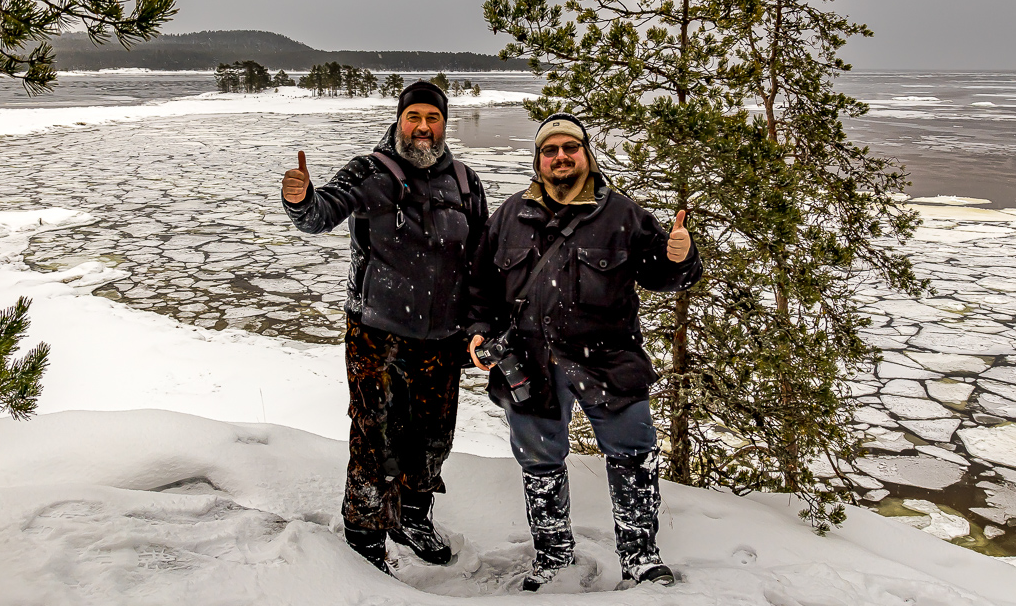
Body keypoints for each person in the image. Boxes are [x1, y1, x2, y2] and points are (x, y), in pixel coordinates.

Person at [466, 112, 702, 591]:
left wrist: (681, 257)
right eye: (549, 150)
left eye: (569, 148)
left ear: (586, 156)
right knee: (539, 460)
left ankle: (640, 557)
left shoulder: (623, 215)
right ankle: (554, 558)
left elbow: (666, 276)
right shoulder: (510, 216)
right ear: (538, 161)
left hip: (609, 358)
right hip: (530, 362)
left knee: (634, 453)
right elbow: (480, 283)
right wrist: (477, 329)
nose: (560, 157)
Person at [281, 81, 488, 574]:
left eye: (431, 118)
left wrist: (478, 324)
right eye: (413, 116)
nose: (422, 126)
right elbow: (320, 214)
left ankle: (413, 517)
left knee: (434, 438)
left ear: (444, 124)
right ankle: (365, 536)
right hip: (377, 334)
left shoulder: (465, 182)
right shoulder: (370, 170)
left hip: (443, 340)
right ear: (399, 120)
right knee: (376, 438)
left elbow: (481, 262)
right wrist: (301, 199)